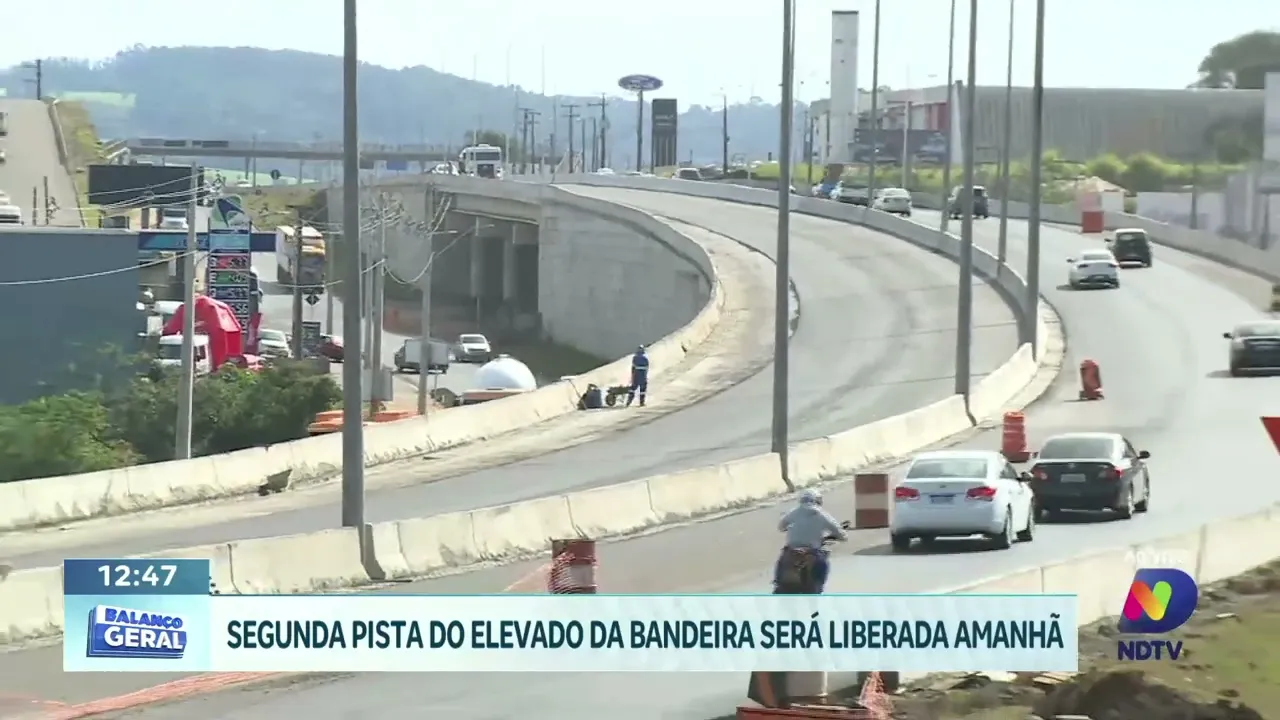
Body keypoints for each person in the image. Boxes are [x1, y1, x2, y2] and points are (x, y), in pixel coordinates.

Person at [775, 489, 847, 593]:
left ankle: (778, 584)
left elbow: (781, 527)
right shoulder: (822, 514)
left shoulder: (794, 512)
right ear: (818, 501)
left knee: (782, 563)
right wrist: (841, 536)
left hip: (791, 550)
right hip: (812, 551)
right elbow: (841, 534)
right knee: (823, 566)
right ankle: (817, 590)